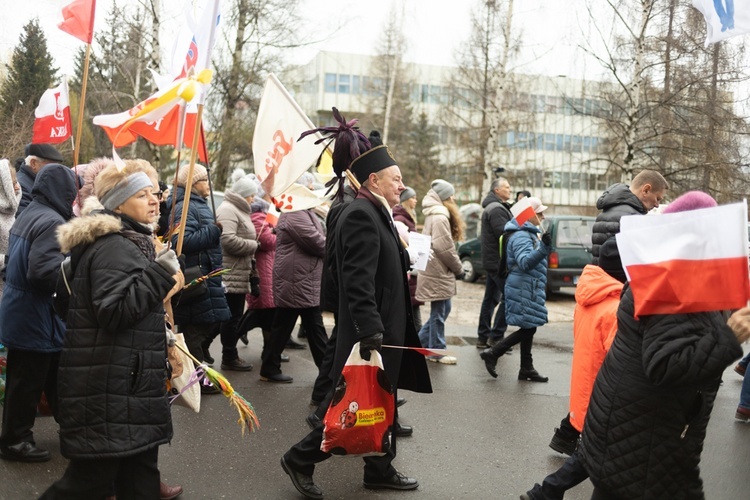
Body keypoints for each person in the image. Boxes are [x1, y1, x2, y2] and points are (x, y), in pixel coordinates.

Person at [281, 112, 432, 499]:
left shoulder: (375, 210)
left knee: (381, 400)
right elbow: (356, 280)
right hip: (370, 329)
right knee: (351, 402)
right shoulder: (360, 214)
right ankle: (300, 458)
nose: (402, 184)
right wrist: (370, 329)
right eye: (395, 178)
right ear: (373, 180)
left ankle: (379, 468)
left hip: (385, 325)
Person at [578, 191, 749, 499]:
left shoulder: (669, 271)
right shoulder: (674, 285)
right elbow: (666, 365)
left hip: (636, 431)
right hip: (644, 440)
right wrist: (731, 334)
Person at [41, 166, 181, 499]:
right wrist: (160, 274)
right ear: (118, 205)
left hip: (124, 383)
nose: (154, 200)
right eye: (141, 194)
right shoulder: (115, 246)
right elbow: (115, 312)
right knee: (87, 482)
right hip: (114, 387)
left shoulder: (127, 239)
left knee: (139, 479)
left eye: (154, 192)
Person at [521, 244, 625, 500]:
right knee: (602, 451)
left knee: (599, 451)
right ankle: (545, 492)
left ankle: (546, 492)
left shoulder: (590, 296)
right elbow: (620, 357)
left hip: (586, 386)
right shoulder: (615, 308)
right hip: (605, 391)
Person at [0, 164, 76, 462]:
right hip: (36, 314)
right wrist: (74, 276)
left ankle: (73, 432)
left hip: (24, 310)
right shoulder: (53, 222)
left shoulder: (31, 212)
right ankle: (15, 441)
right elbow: (43, 271)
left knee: (48, 376)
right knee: (28, 381)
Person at [169, 164, 231, 394]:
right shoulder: (183, 207)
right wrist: (214, 231)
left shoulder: (197, 205)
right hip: (197, 278)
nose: (208, 184)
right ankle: (193, 381)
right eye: (204, 180)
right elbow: (180, 242)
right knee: (194, 331)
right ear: (193, 184)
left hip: (208, 276)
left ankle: (192, 376)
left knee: (202, 327)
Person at [480, 197, 551, 382]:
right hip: (523, 286)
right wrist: (543, 248)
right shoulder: (521, 235)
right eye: (540, 212)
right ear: (529, 215)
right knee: (528, 328)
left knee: (530, 325)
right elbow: (525, 262)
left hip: (527, 286)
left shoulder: (526, 232)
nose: (543, 216)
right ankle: (494, 353)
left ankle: (526, 368)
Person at [260, 195, 329, 383]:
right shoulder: (296, 214)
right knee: (313, 328)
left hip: (300, 278)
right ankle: (327, 375)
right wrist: (334, 246)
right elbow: (316, 242)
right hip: (297, 279)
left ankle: (269, 367)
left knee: (286, 327)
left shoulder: (302, 212)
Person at [415, 179, 464, 364]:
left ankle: (419, 344)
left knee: (443, 309)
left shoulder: (435, 214)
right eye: (451, 195)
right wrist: (458, 268)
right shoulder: (440, 216)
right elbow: (445, 248)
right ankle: (436, 351)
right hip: (438, 272)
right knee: (439, 312)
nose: (453, 198)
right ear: (445, 197)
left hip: (435, 270)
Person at [214, 175, 258, 372]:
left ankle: (225, 353)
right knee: (230, 318)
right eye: (251, 195)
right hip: (230, 272)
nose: (254, 199)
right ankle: (228, 356)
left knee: (232, 317)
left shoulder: (237, 209)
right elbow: (228, 240)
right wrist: (254, 245)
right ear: (243, 195)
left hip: (238, 272)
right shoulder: (228, 210)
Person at [591, 169, 668, 270]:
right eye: (657, 198)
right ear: (646, 190)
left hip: (601, 281)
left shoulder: (606, 210)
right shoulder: (633, 218)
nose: (657, 205)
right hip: (620, 284)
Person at [476, 177, 513, 349]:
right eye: (506, 187)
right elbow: (504, 234)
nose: (510, 189)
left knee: (490, 299)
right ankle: (496, 337)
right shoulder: (497, 209)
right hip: (499, 263)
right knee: (509, 297)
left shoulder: (495, 207)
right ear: (496, 190)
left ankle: (483, 337)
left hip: (493, 262)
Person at [393, 186, 423, 330]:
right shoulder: (400, 219)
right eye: (413, 197)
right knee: (413, 314)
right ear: (405, 200)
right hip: (407, 270)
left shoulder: (407, 217)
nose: (415, 200)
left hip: (411, 268)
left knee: (413, 311)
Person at [15, 143, 64, 216]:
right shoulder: (20, 186)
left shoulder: (44, 182)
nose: (55, 170)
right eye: (51, 166)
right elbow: (28, 221)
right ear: (33, 163)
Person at [0, 159, 21, 298]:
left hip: (9, 290)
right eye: (12, 184)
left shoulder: (10, 211)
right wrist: (9, 261)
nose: (18, 187)